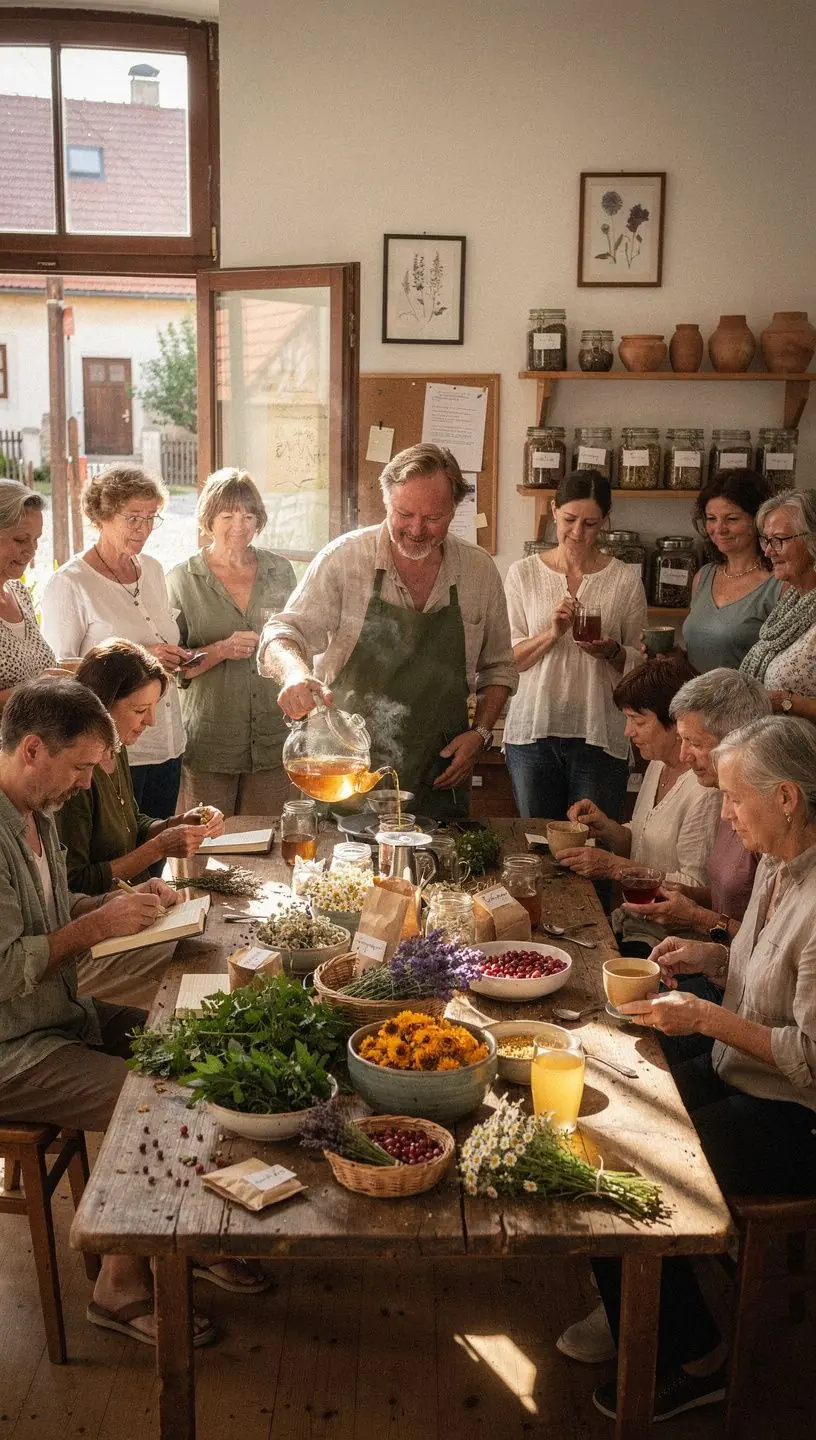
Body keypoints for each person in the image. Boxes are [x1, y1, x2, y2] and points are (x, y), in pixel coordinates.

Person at [559, 716, 816, 1424]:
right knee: (601, 1102)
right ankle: (639, 1307)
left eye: (735, 799)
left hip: (795, 1118)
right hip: (745, 1073)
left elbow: (812, 1060)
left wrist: (703, 1017)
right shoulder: (778, 864)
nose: (727, 814)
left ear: (787, 797)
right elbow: (767, 977)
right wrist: (713, 959)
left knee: (620, 1175)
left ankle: (693, 1354)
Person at [0, 678, 218, 1347]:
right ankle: (119, 1286)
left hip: (55, 1016)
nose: (87, 785)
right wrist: (96, 931)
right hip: (14, 1049)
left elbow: (49, 917)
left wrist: (109, 906)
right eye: (80, 768)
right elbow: (6, 968)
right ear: (32, 749)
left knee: (197, 1041)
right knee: (166, 1105)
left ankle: (184, 1222)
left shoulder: (36, 813)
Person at [258, 443, 517, 820]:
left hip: (439, 774)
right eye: (404, 514)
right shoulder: (345, 560)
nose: (416, 529)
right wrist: (295, 674)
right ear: (386, 502)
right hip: (345, 771)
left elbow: (499, 669)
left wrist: (479, 735)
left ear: (454, 511)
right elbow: (281, 633)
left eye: (433, 517)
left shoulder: (478, 571)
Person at [56, 641, 225, 1005]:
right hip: (95, 935)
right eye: (139, 710)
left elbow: (132, 821)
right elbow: (75, 884)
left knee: (211, 943)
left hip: (129, 913)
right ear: (101, 704)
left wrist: (176, 823)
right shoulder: (74, 778)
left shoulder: (114, 751)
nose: (149, 721)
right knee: (202, 970)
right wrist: (159, 847)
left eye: (153, 709)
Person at [40, 466, 190, 818]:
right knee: (122, 858)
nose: (144, 529)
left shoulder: (151, 568)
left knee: (159, 851)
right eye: (133, 518)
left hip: (167, 740)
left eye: (152, 518)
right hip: (112, 751)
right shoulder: (71, 583)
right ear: (102, 516)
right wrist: (140, 658)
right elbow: (59, 675)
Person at [503, 471, 647, 820]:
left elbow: (642, 668)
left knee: (592, 849)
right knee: (538, 845)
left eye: (590, 523)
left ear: (605, 522)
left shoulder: (624, 580)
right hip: (533, 733)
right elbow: (509, 661)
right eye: (569, 520)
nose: (577, 533)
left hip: (600, 733)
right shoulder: (522, 574)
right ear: (554, 511)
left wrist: (612, 653)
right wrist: (551, 634)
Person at [560, 656, 722, 951]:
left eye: (638, 721)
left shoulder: (704, 790)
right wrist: (607, 828)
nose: (627, 732)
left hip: (672, 944)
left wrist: (614, 868)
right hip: (635, 926)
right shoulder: (658, 765)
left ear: (675, 723)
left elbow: (695, 887)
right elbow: (642, 842)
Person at [166, 468, 296, 817]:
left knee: (264, 850)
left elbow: (299, 636)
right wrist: (222, 649)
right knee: (203, 851)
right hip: (211, 742)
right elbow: (172, 664)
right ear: (209, 519)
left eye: (248, 515)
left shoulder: (281, 570)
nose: (239, 524)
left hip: (272, 738)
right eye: (228, 515)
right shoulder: (182, 578)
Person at [620, 668, 772, 954]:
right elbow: (729, 897)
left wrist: (697, 918)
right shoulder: (727, 797)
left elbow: (770, 946)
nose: (682, 755)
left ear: (737, 740)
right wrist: (688, 896)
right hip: (715, 964)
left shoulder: (767, 817)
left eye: (695, 743)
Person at [682, 470, 781, 672]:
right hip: (695, 701)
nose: (719, 529)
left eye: (732, 519)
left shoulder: (779, 583)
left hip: (746, 702)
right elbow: (699, 655)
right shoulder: (703, 576)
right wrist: (671, 654)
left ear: (759, 521)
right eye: (711, 518)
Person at [740, 488, 816, 718]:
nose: (769, 552)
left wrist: (786, 702)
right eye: (767, 541)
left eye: (780, 540)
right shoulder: (792, 601)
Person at [0, 479, 58, 707]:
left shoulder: (18, 592)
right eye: (21, 539)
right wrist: (36, 690)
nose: (31, 550)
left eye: (36, 540)